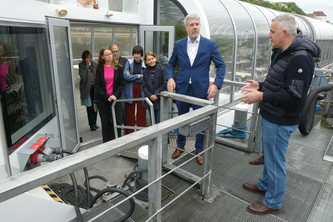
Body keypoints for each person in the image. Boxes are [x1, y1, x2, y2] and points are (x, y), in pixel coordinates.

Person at [240, 14, 320, 214]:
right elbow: (279, 84)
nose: (269, 35)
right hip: (273, 116)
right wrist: (261, 85)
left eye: (272, 31)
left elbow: (293, 97)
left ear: (285, 33)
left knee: (275, 161)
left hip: (280, 119)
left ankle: (273, 202)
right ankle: (265, 185)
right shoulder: (286, 52)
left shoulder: (300, 59)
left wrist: (261, 96)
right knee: (271, 157)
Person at [167, 13, 226, 165]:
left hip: (201, 91)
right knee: (182, 119)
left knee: (201, 122)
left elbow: (221, 66)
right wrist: (170, 78)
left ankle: (199, 149)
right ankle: (180, 146)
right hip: (183, 89)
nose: (195, 27)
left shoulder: (209, 45)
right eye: (192, 24)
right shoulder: (179, 44)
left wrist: (217, 85)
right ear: (186, 27)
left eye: (197, 24)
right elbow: (171, 64)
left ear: (199, 26)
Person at [95, 47, 124, 143]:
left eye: (110, 54)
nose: (109, 56)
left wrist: (115, 95)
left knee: (118, 121)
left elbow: (121, 84)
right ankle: (107, 144)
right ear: (102, 57)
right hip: (103, 99)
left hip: (115, 99)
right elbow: (98, 85)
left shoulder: (118, 67)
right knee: (106, 122)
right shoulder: (99, 68)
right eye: (107, 55)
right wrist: (107, 96)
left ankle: (117, 141)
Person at [122, 45, 146, 135]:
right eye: (135, 53)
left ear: (141, 54)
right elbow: (125, 76)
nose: (136, 55)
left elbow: (145, 78)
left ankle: (142, 133)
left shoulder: (144, 63)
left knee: (141, 112)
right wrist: (138, 76)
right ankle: (129, 133)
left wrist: (131, 77)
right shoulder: (129, 62)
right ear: (133, 54)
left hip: (141, 90)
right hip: (130, 90)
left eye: (138, 54)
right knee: (129, 112)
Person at [142, 51, 167, 124]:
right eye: (149, 60)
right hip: (150, 101)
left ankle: (160, 136)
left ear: (155, 59)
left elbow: (165, 83)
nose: (151, 61)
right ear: (146, 62)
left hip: (159, 100)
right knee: (152, 122)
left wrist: (156, 94)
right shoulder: (146, 71)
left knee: (159, 122)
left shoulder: (162, 69)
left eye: (152, 58)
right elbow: (144, 86)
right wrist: (150, 95)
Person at [79, 50, 98, 131]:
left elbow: (96, 74)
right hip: (87, 88)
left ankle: (94, 122)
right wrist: (86, 67)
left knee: (95, 106)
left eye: (90, 58)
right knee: (89, 107)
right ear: (84, 59)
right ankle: (91, 124)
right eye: (87, 58)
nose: (88, 60)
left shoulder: (94, 64)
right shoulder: (81, 65)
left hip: (95, 87)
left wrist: (90, 66)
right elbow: (83, 77)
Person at [110, 43, 128, 126]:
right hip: (111, 90)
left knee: (123, 108)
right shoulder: (108, 62)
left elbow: (128, 74)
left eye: (116, 51)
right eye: (113, 51)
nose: (115, 53)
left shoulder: (124, 61)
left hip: (123, 89)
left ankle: (123, 125)